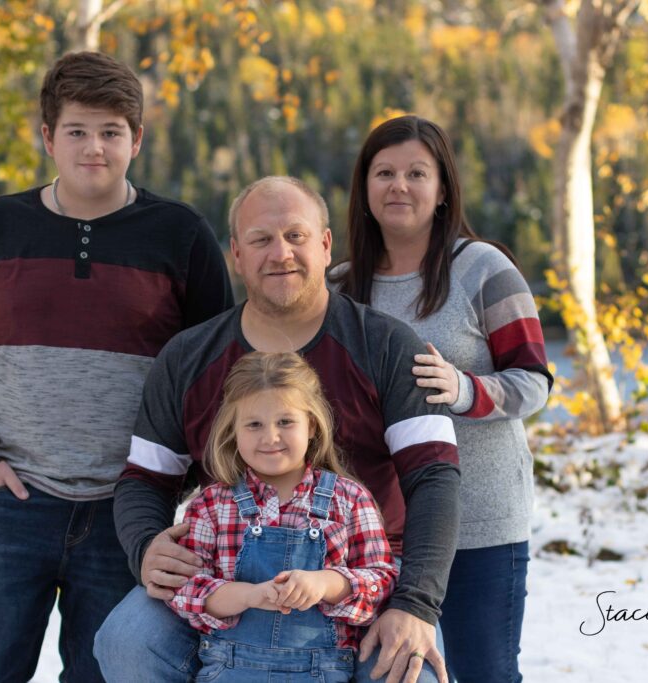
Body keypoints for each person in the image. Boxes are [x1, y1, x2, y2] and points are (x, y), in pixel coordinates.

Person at [0, 51, 233, 683]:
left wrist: (186, 481)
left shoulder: (179, 234)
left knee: (106, 673)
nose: (95, 147)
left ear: (136, 139)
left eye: (111, 131)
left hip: (128, 514)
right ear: (48, 138)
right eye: (77, 131)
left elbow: (219, 372)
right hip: (11, 505)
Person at [95, 176, 460, 683]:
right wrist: (145, 548)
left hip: (362, 583)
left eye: (296, 235)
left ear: (326, 245)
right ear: (237, 256)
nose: (280, 253)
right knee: (126, 639)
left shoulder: (387, 346)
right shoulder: (188, 357)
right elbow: (144, 480)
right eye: (261, 239)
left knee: (411, 669)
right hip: (224, 585)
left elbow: (436, 479)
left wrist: (417, 603)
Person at [332, 115, 553, 683]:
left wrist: (464, 390)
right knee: (393, 675)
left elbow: (534, 382)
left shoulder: (484, 269)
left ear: (443, 189)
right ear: (364, 188)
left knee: (486, 673)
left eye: (415, 173)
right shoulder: (338, 287)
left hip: (481, 520)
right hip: (376, 533)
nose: (398, 186)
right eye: (384, 173)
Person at [168, 351, 399, 682]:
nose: (270, 437)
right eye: (254, 424)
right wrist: (251, 595)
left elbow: (382, 582)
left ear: (312, 425)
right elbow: (186, 589)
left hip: (322, 672)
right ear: (234, 430)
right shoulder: (211, 505)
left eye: (286, 422)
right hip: (230, 671)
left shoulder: (349, 499)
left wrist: (325, 583)